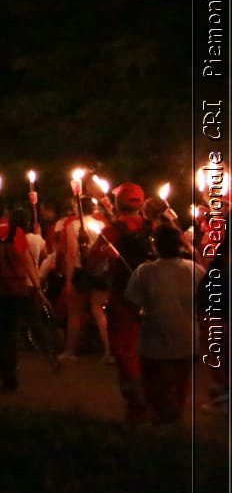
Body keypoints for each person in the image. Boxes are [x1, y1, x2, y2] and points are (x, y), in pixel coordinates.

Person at [126, 225, 204, 424]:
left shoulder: (144, 271)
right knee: (179, 388)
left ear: (156, 244)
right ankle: (173, 421)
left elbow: (132, 304)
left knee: (156, 388)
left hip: (155, 341)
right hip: (187, 339)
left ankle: (164, 423)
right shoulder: (194, 270)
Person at [102, 182, 157, 423]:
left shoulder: (112, 230)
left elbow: (94, 261)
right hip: (152, 295)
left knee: (125, 350)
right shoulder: (152, 226)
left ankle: (137, 404)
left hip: (123, 295)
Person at [0, 195, 42, 392]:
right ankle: (11, 373)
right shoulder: (17, 232)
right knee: (10, 332)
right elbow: (26, 260)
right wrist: (36, 285)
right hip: (16, 288)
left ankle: (6, 376)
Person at [57, 198, 113, 362]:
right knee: (99, 310)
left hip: (81, 271)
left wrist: (68, 279)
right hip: (100, 270)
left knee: (74, 311)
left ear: (77, 208)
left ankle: (70, 350)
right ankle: (109, 350)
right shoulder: (102, 225)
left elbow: (71, 253)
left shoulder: (72, 226)